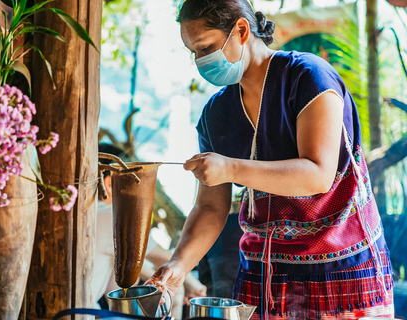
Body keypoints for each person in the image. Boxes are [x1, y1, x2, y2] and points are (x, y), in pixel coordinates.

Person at [146, 1, 395, 319]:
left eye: (205, 47)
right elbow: (211, 207)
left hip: (341, 274)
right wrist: (179, 265)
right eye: (192, 51)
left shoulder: (308, 77)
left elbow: (317, 175)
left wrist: (230, 167)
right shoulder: (215, 115)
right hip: (265, 277)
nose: (200, 60)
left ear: (241, 30)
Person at [93, 143, 206, 318]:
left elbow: (119, 283)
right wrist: (194, 284)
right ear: (110, 183)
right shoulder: (112, 218)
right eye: (134, 181)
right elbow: (161, 257)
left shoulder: (88, 216)